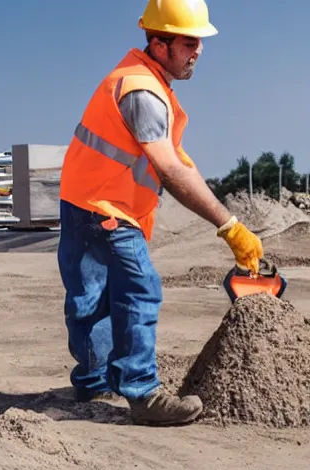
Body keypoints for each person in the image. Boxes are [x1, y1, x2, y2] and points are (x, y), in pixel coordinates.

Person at [57, 0, 264, 426]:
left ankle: (94, 381)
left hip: (81, 199)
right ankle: (143, 393)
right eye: (189, 41)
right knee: (138, 287)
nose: (198, 51)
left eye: (199, 42)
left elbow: (178, 161)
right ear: (158, 41)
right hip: (107, 207)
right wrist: (229, 226)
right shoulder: (143, 92)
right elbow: (170, 171)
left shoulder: (139, 79)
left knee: (90, 298)